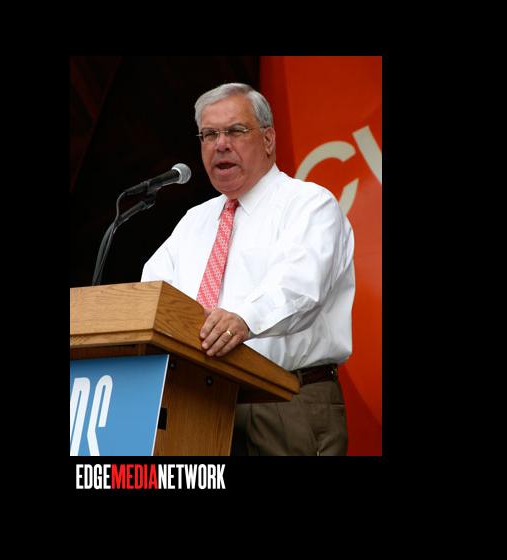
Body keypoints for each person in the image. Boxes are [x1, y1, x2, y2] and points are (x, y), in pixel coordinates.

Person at [141, 83, 355, 455]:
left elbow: (301, 284)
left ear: (268, 139)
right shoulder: (193, 221)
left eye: (235, 131)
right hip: (197, 404)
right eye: (209, 135)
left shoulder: (309, 204)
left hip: (285, 399)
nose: (221, 144)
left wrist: (243, 318)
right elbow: (152, 298)